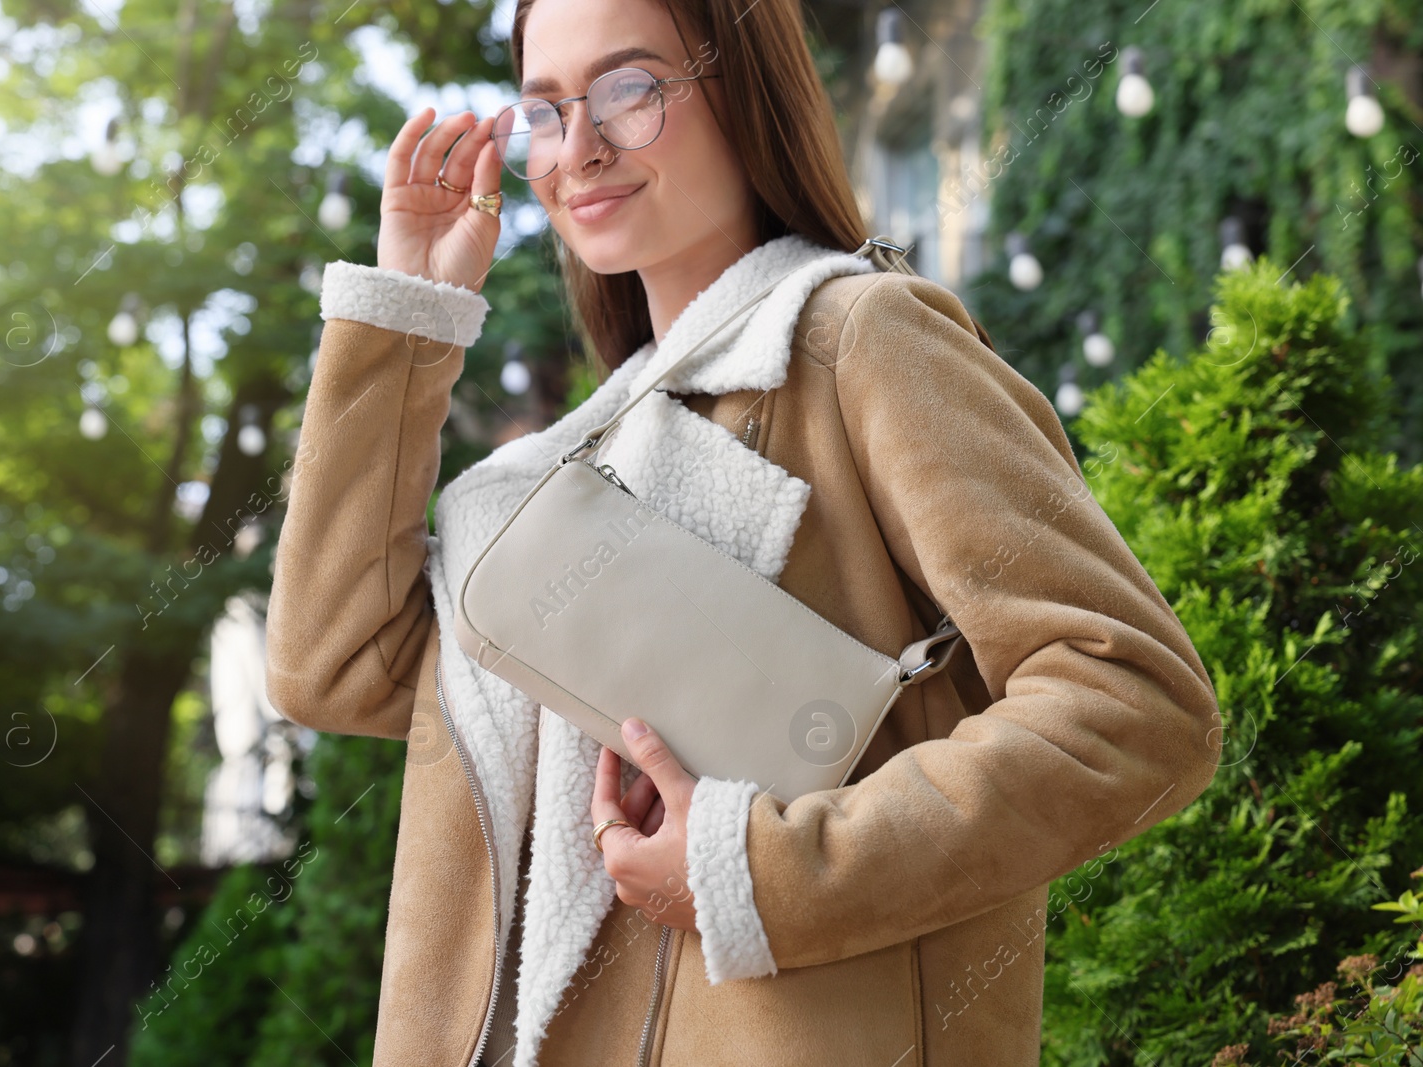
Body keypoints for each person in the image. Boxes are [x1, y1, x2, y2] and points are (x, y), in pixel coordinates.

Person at [263, 0, 1222, 1063]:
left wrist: (760, 870)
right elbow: (331, 665)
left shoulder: (861, 340)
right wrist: (406, 319)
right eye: (545, 108)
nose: (578, 147)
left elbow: (1132, 702)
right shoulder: (558, 471)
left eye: (631, 89)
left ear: (742, 90)